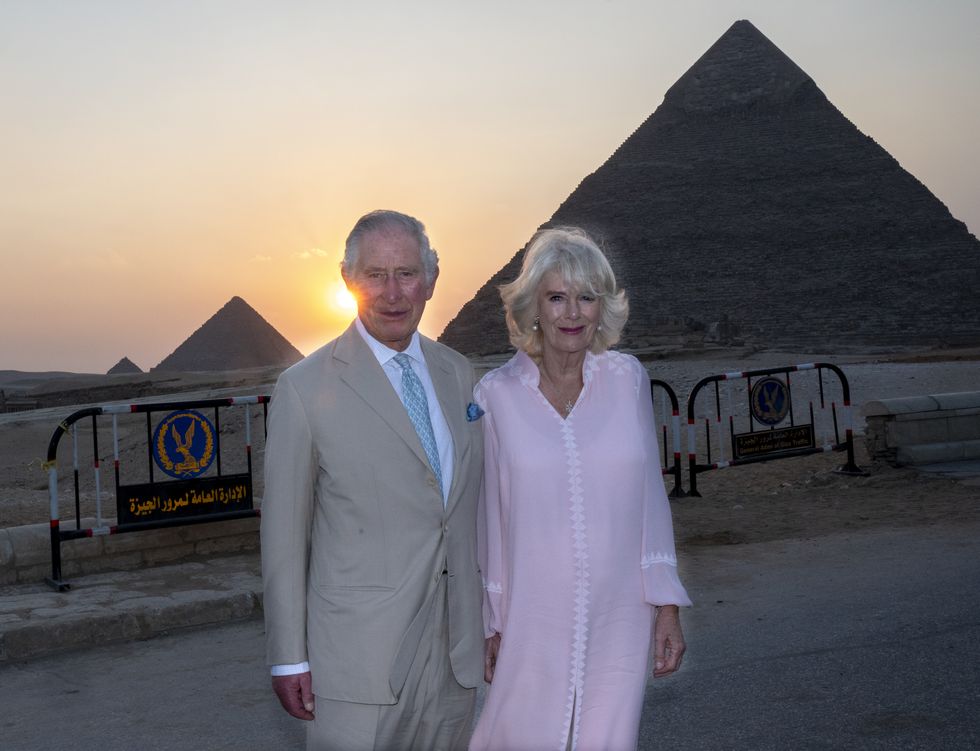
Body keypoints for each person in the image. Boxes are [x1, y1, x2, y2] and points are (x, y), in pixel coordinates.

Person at [261, 209, 485, 750]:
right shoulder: (303, 388)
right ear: (347, 280)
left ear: (431, 279)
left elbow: (472, 512)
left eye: (406, 273)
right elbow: (284, 537)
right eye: (375, 275)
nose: (392, 292)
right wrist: (289, 655)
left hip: (455, 652)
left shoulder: (461, 376)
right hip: (358, 661)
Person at [468, 227, 692, 751]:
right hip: (531, 614)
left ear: (603, 307)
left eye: (586, 297)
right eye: (557, 297)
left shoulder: (628, 379)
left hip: (621, 613)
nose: (572, 313)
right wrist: (492, 620)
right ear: (534, 308)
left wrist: (666, 605)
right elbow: (491, 521)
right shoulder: (494, 396)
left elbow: (650, 500)